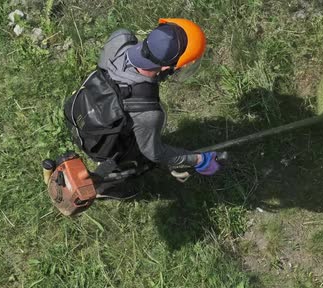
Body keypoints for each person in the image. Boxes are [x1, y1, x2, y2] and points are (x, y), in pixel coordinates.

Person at [65, 18, 220, 198]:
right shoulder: (148, 112)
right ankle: (104, 188)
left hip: (81, 110)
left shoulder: (120, 38)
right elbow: (155, 153)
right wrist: (198, 160)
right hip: (101, 145)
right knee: (142, 160)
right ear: (164, 67)